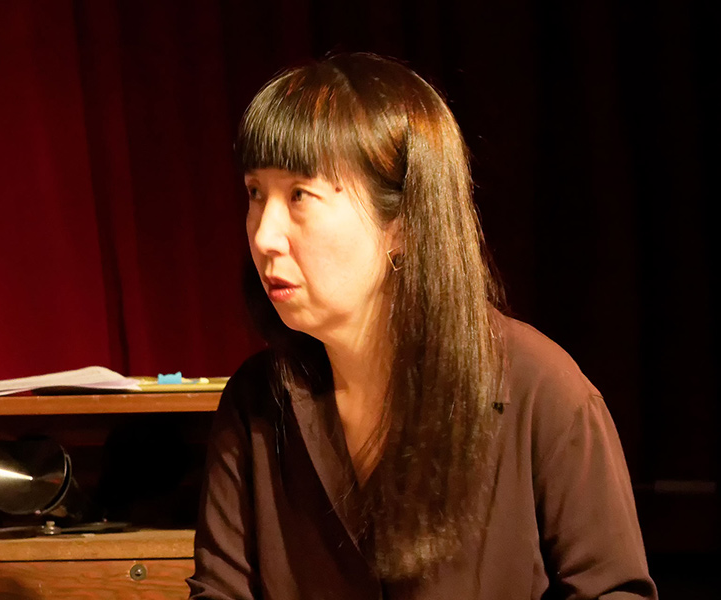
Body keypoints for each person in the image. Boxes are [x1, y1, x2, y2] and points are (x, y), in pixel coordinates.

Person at [187, 53, 657, 599]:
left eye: (299, 196)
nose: (264, 236)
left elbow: (613, 591)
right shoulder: (255, 402)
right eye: (255, 194)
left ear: (402, 222)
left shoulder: (538, 388)